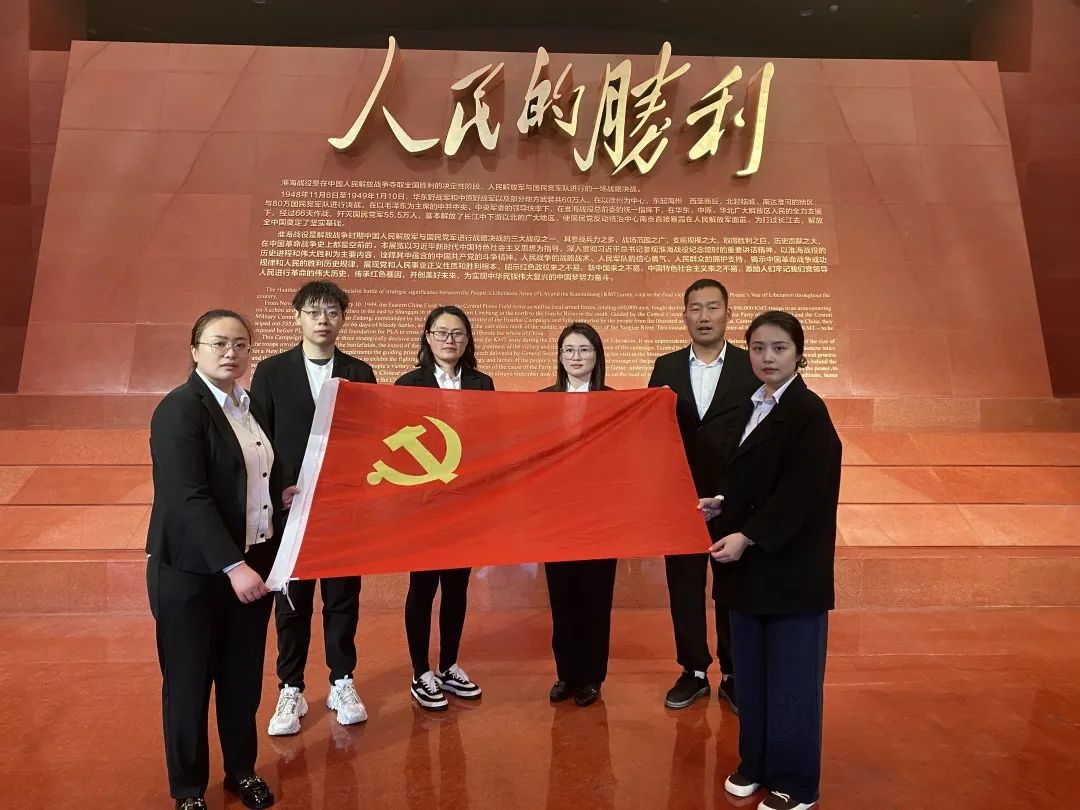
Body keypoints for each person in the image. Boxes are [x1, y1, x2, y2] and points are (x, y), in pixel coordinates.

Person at [700, 311, 842, 810]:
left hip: (790, 572)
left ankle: (796, 784)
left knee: (792, 683)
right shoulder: (753, 404)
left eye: (779, 348)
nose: (767, 357)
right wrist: (722, 504)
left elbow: (803, 493)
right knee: (753, 677)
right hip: (749, 573)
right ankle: (756, 763)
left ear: (798, 354)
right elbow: (750, 479)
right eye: (758, 348)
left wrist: (749, 535)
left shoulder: (808, 412)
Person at [146, 309, 285, 810]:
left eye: (241, 344)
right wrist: (233, 566)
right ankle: (188, 789)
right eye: (219, 343)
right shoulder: (180, 409)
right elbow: (187, 497)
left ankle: (241, 771)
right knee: (188, 684)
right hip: (193, 574)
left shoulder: (249, 406)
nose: (231, 352)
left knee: (241, 679)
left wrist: (280, 496)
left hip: (253, 565)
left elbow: (251, 476)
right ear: (195, 349)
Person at [251, 281, 377, 737]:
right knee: (292, 601)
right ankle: (291, 686)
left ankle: (342, 680)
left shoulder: (359, 372)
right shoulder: (271, 371)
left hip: (343, 509)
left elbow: (370, 439)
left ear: (343, 318)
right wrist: (277, 490)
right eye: (313, 311)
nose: (323, 319)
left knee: (342, 598)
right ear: (297, 317)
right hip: (291, 509)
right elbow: (260, 439)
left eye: (332, 311)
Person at [647, 279, 758, 711]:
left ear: (728, 313)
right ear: (685, 315)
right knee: (684, 586)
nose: (704, 316)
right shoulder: (666, 367)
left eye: (713, 307)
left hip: (734, 496)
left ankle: (733, 672)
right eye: (695, 308)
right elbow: (653, 429)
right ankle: (693, 670)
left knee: (731, 586)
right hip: (681, 497)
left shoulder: (750, 366)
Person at [395, 305, 494, 711]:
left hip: (464, 502)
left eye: (458, 334)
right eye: (442, 332)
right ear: (428, 337)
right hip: (423, 504)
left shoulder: (482, 383)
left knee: (456, 586)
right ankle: (421, 671)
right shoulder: (408, 383)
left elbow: (490, 438)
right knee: (422, 587)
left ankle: (449, 664)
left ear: (467, 340)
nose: (450, 340)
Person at [539, 323, 617, 707]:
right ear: (559, 356)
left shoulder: (614, 401)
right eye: (569, 350)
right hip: (557, 518)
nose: (576, 357)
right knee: (563, 599)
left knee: (595, 600)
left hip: (600, 518)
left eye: (584, 350)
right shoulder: (543, 401)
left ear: (596, 356)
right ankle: (566, 674)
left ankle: (591, 678)